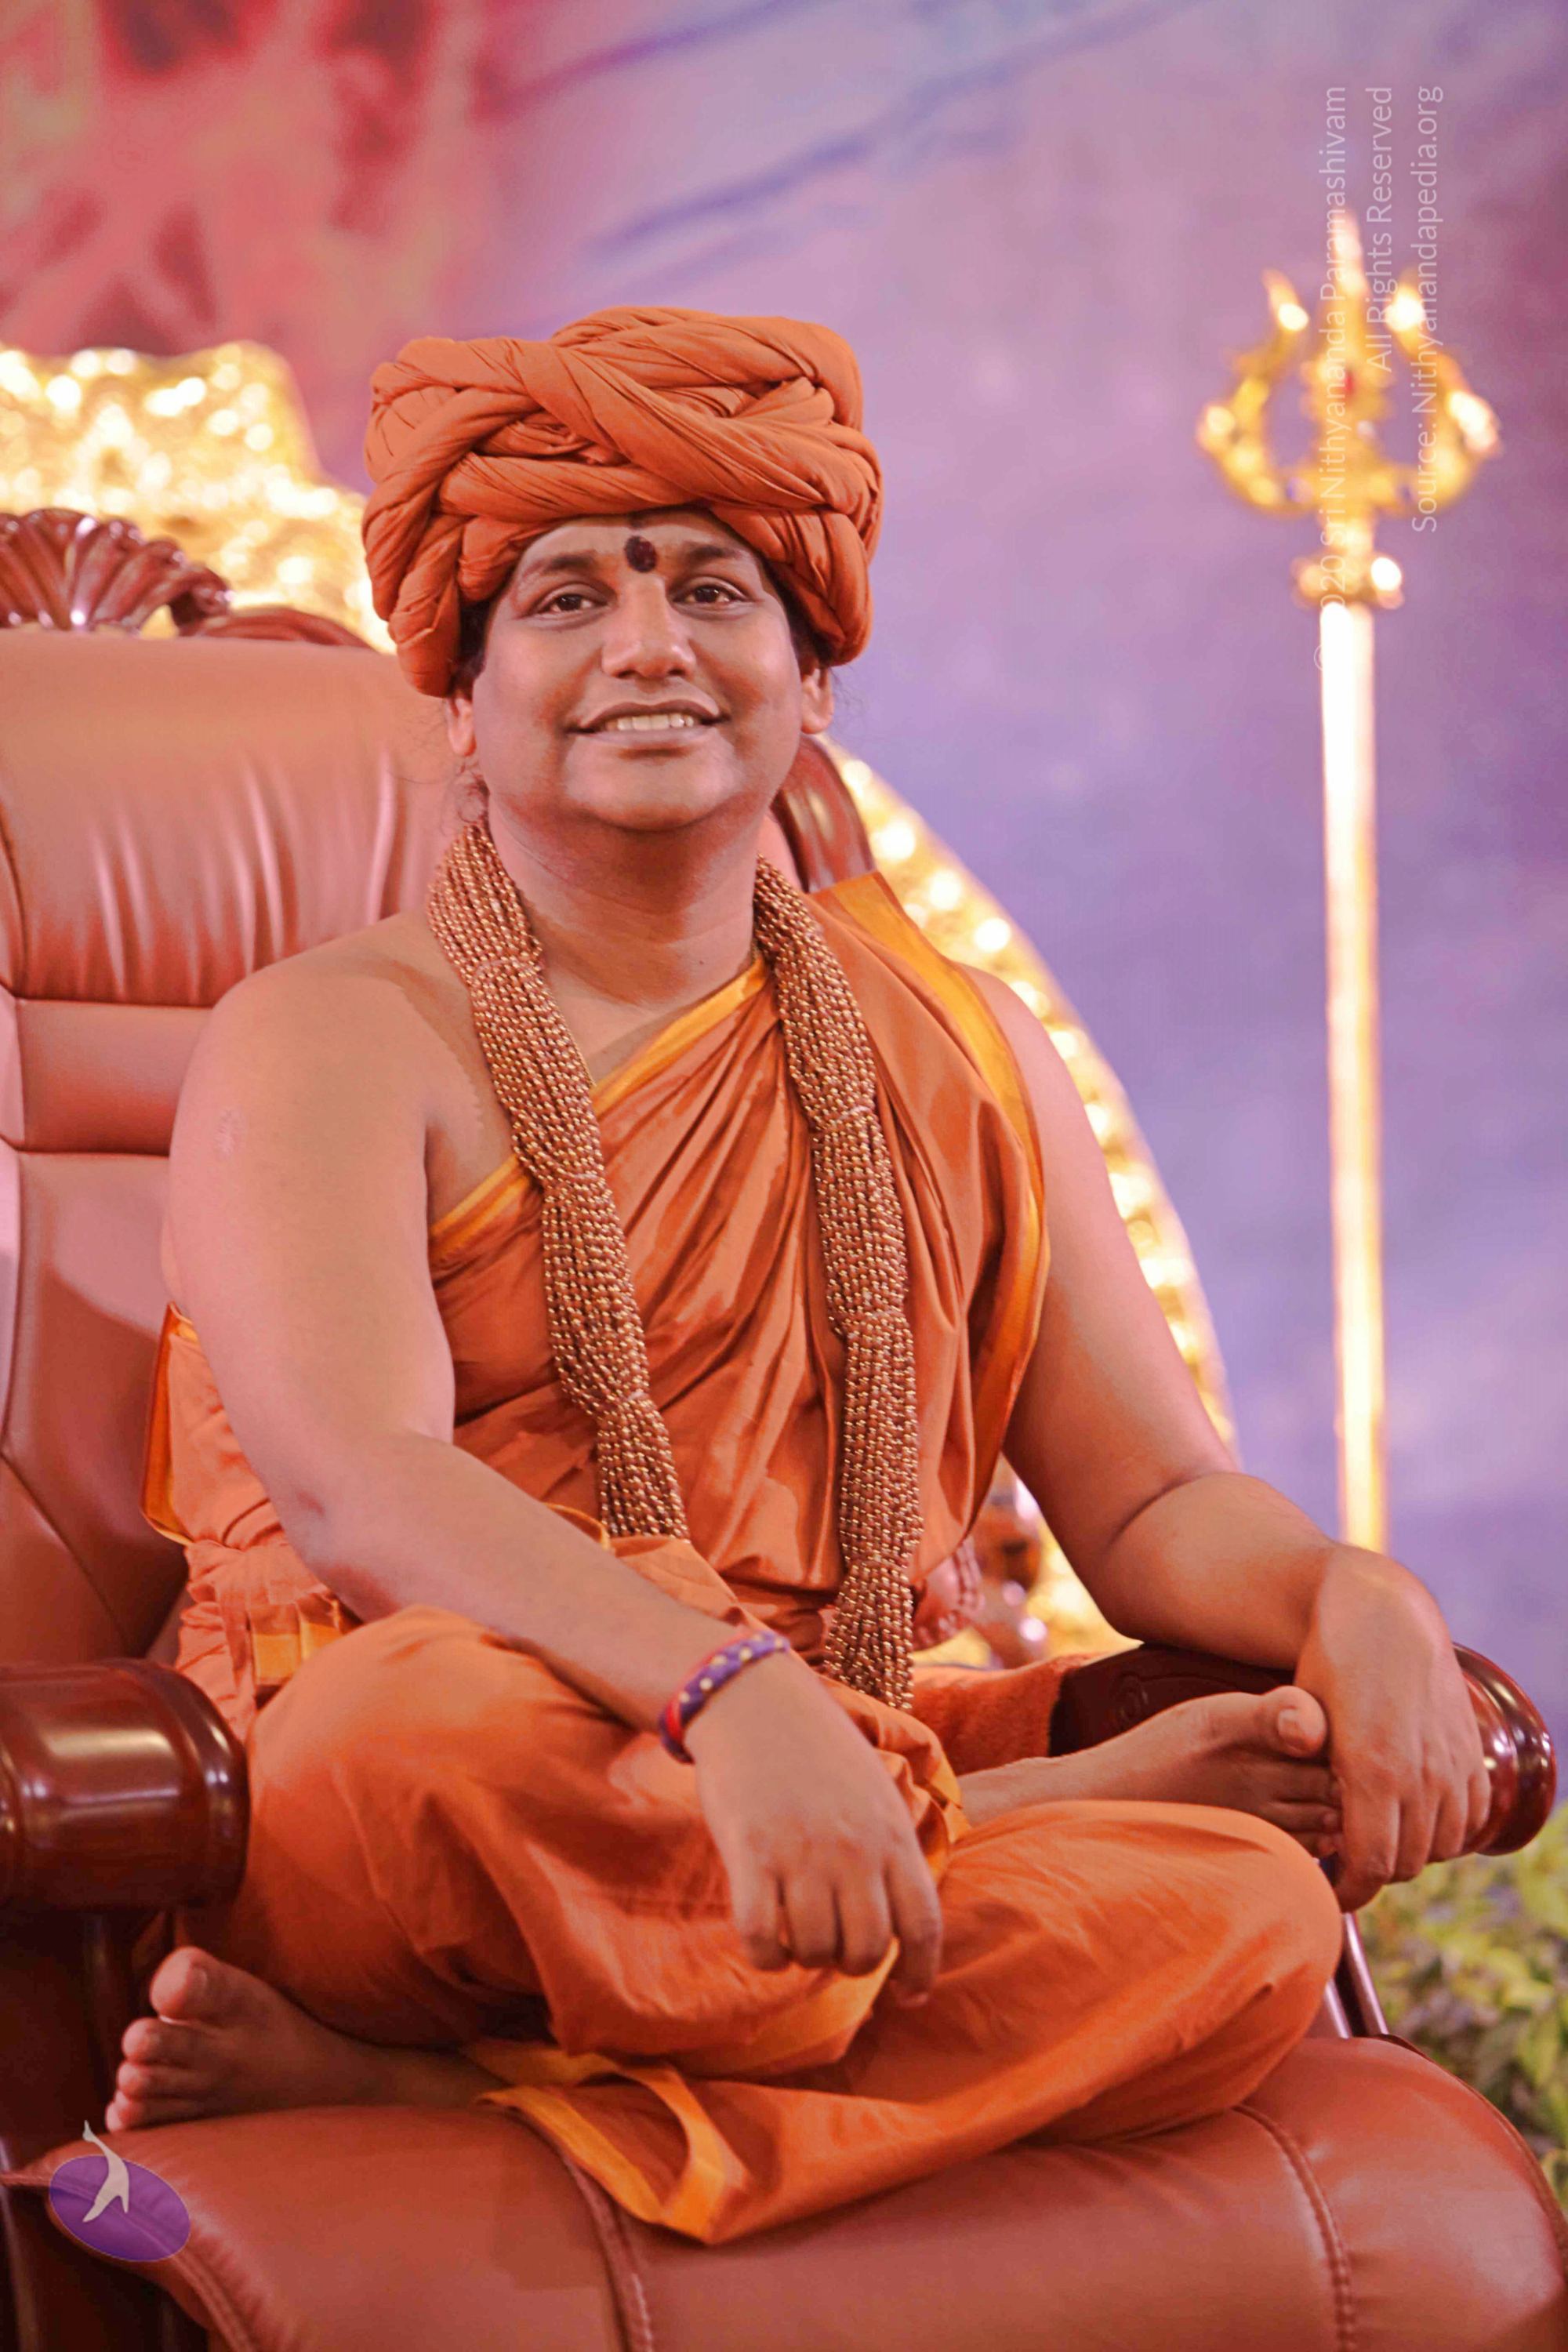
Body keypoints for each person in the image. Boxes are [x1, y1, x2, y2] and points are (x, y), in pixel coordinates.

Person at [107, 306, 1489, 2244]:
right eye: (568, 599)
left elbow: (1153, 1500)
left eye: (711, 590)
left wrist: (1354, 1592)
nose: (647, 648)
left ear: (811, 676)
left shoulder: (957, 1045)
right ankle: (963, 1841)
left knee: (1249, 1913)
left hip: (831, 1742)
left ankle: (473, 2101)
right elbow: (362, 1490)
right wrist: (728, 1697)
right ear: (464, 701)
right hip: (453, 1789)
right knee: (420, 1727)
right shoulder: (330, 1033)